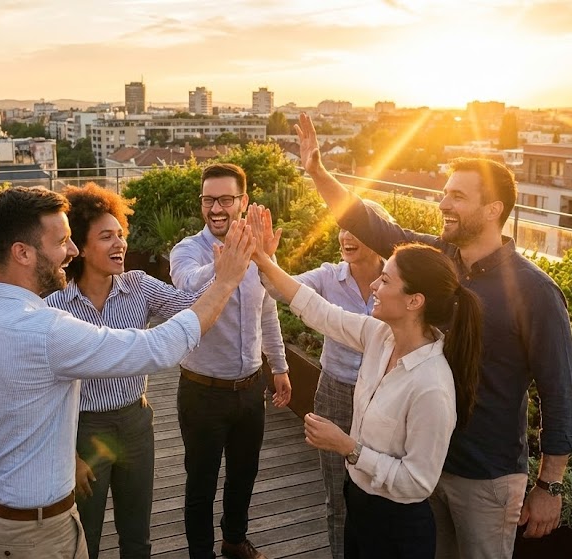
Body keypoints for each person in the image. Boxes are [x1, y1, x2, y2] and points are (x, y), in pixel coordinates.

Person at [295, 113, 572, 559]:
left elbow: (560, 392)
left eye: (457, 196)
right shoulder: (439, 259)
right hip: (422, 466)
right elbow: (369, 224)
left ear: (493, 210)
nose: (443, 203)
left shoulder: (536, 293)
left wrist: (550, 485)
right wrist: (317, 172)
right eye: (444, 193)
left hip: (485, 476)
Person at [0, 186, 254, 559]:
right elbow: (157, 348)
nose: (70, 251)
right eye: (62, 241)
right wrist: (226, 279)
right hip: (37, 533)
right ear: (22, 252)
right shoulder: (49, 329)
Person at [248, 203, 483, 559]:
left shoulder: (432, 385)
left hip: (397, 527)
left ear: (414, 301)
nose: (374, 285)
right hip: (359, 504)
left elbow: (417, 482)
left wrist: (348, 447)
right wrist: (264, 260)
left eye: (386, 280)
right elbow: (317, 310)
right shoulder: (379, 336)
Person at [45, 183, 208, 559]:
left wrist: (231, 265)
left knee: (137, 534)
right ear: (80, 246)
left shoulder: (138, 286)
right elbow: (46, 390)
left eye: (120, 234)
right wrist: (70, 455)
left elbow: (191, 306)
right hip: (84, 430)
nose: (120, 244)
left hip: (137, 423)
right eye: (106, 237)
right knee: (85, 536)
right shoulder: (55, 306)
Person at [169, 163, 292, 559]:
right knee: (200, 485)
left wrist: (280, 367)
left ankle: (235, 541)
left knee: (244, 475)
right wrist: (228, 264)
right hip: (202, 391)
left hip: (251, 388)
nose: (216, 208)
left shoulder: (260, 253)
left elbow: (268, 311)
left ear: (243, 201)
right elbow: (187, 285)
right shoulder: (188, 251)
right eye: (209, 200)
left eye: (225, 199)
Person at [288, 199, 393, 559]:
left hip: (385, 398)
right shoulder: (327, 277)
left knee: (379, 490)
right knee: (338, 492)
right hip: (335, 392)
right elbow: (282, 289)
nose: (346, 236)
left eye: (357, 229)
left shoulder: (398, 280)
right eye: (342, 229)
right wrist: (262, 261)